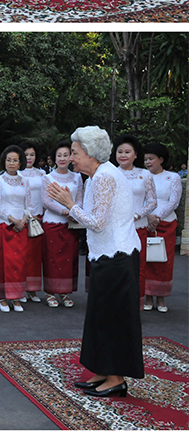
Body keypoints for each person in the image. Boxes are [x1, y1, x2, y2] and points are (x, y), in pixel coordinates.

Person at [48, 126, 143, 398]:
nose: (70, 158)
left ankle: (116, 379)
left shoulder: (105, 177)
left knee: (113, 318)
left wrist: (70, 204)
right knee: (101, 317)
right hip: (106, 256)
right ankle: (103, 370)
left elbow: (97, 222)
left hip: (117, 257)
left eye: (74, 153)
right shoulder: (95, 177)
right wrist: (72, 205)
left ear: (90, 153)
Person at [113, 133, 156, 305]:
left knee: (138, 267)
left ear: (136, 154)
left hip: (138, 228)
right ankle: (116, 305)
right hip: (115, 228)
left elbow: (152, 201)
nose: (123, 155)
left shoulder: (145, 175)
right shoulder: (110, 173)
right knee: (116, 267)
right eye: (120, 151)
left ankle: (135, 305)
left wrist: (137, 215)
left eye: (127, 152)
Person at [41, 140, 82, 308]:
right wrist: (66, 212)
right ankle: (50, 292)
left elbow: (79, 198)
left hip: (71, 225)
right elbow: (47, 202)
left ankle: (65, 292)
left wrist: (76, 211)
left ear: (71, 157)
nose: (63, 158)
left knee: (69, 259)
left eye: (66, 155)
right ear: (54, 158)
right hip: (53, 223)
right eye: (59, 155)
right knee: (52, 259)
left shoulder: (77, 177)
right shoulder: (47, 178)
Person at [144, 142, 182, 313]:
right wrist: (148, 217)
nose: (147, 162)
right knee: (146, 260)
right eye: (145, 159)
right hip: (145, 222)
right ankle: (147, 296)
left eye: (151, 158)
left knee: (164, 261)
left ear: (161, 159)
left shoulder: (173, 177)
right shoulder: (143, 176)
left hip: (166, 223)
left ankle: (161, 298)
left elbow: (174, 201)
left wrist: (157, 217)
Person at [0, 145, 30, 312]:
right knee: (3, 262)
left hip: (21, 227)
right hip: (4, 225)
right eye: (9, 160)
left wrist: (23, 220)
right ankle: (3, 298)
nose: (12, 163)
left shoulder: (24, 181)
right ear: (4, 161)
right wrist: (13, 220)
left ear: (20, 163)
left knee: (19, 263)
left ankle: (16, 297)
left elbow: (29, 205)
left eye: (15, 160)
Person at [18, 139, 44, 302]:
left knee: (35, 256)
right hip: (21, 218)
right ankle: (20, 288)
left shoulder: (42, 174)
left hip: (38, 219)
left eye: (32, 154)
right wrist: (26, 215)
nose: (29, 157)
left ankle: (32, 290)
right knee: (21, 255)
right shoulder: (16, 173)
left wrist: (41, 214)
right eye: (26, 154)